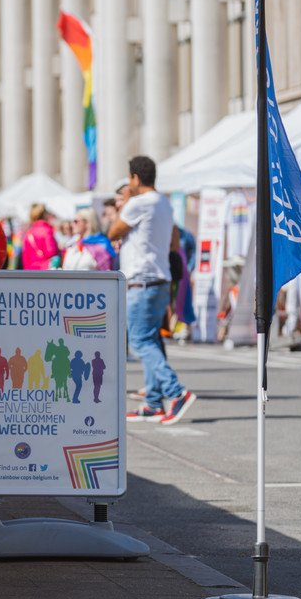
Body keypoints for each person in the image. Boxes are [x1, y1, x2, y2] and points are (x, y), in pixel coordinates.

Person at [108, 155, 195, 425]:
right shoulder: (164, 203)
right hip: (160, 278)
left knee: (140, 342)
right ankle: (154, 402)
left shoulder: (138, 203)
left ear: (135, 178)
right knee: (153, 340)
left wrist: (125, 207)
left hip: (141, 281)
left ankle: (176, 392)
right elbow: (172, 244)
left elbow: (113, 232)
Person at [20, 203, 61, 270]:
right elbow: (51, 253)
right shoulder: (47, 231)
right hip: (45, 271)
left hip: (31, 271)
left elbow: (25, 259)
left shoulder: (28, 233)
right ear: (44, 215)